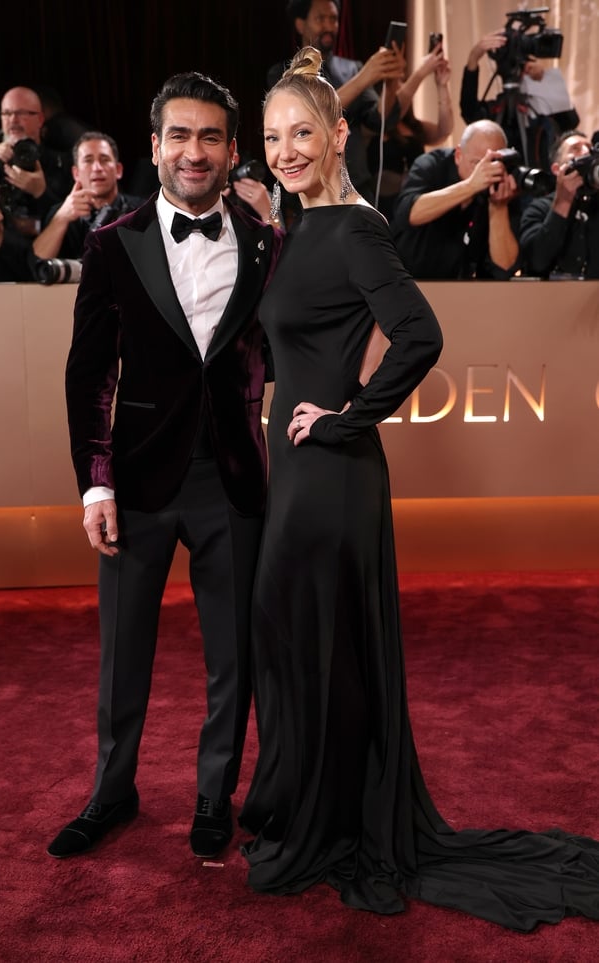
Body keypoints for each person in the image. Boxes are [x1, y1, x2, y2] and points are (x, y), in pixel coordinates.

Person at [238, 44, 599, 931]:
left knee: (318, 643)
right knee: (294, 638)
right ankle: (310, 805)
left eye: (301, 134)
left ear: (337, 136)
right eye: (273, 137)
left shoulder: (356, 227)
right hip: (299, 473)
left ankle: (332, 823)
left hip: (331, 478)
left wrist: (345, 417)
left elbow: (420, 335)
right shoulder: (296, 227)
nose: (285, 151)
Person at [46, 71, 282, 861]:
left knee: (233, 656)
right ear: (153, 146)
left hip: (233, 479)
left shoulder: (267, 243)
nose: (194, 150)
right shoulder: (111, 244)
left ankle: (216, 793)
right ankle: (112, 790)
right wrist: (95, 482)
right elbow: (89, 375)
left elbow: (286, 349)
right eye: (179, 134)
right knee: (123, 654)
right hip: (137, 479)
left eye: (210, 136)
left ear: (233, 150)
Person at [266, 0, 406, 205]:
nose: (329, 26)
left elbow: (379, 120)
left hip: (356, 184)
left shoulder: (352, 68)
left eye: (333, 19)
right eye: (320, 19)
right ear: (300, 24)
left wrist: (391, 81)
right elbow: (309, 113)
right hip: (309, 191)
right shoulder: (284, 74)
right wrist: (364, 78)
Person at [391, 119, 521, 279]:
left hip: (461, 288)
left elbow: (505, 268)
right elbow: (409, 214)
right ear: (459, 155)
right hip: (404, 279)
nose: (486, 171)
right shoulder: (433, 165)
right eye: (477, 163)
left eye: (494, 163)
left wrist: (499, 208)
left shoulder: (504, 184)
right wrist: (471, 186)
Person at [0, 85, 72, 234]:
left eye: (21, 113)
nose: (13, 120)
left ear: (40, 119)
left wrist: (41, 193)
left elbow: (72, 220)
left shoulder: (62, 161)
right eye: (7, 113)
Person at [459, 31, 578, 167]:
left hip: (540, 177)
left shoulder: (540, 106)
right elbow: (469, 111)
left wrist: (544, 81)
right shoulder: (497, 110)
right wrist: (473, 59)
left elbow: (571, 122)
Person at [367, 40, 453, 220]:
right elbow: (391, 111)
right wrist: (420, 72)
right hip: (386, 208)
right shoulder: (373, 124)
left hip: (415, 201)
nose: (402, 85)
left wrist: (442, 86)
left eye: (402, 80)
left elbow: (443, 131)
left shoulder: (412, 126)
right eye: (396, 82)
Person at [32, 131, 144, 262]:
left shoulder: (143, 210)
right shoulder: (59, 213)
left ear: (118, 170)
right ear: (76, 174)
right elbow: (37, 263)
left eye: (104, 160)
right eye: (88, 161)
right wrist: (61, 218)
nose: (97, 168)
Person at [520, 129, 599, 279]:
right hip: (553, 293)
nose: (585, 152)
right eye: (575, 149)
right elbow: (536, 262)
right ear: (557, 169)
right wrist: (563, 202)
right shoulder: (539, 209)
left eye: (589, 148)